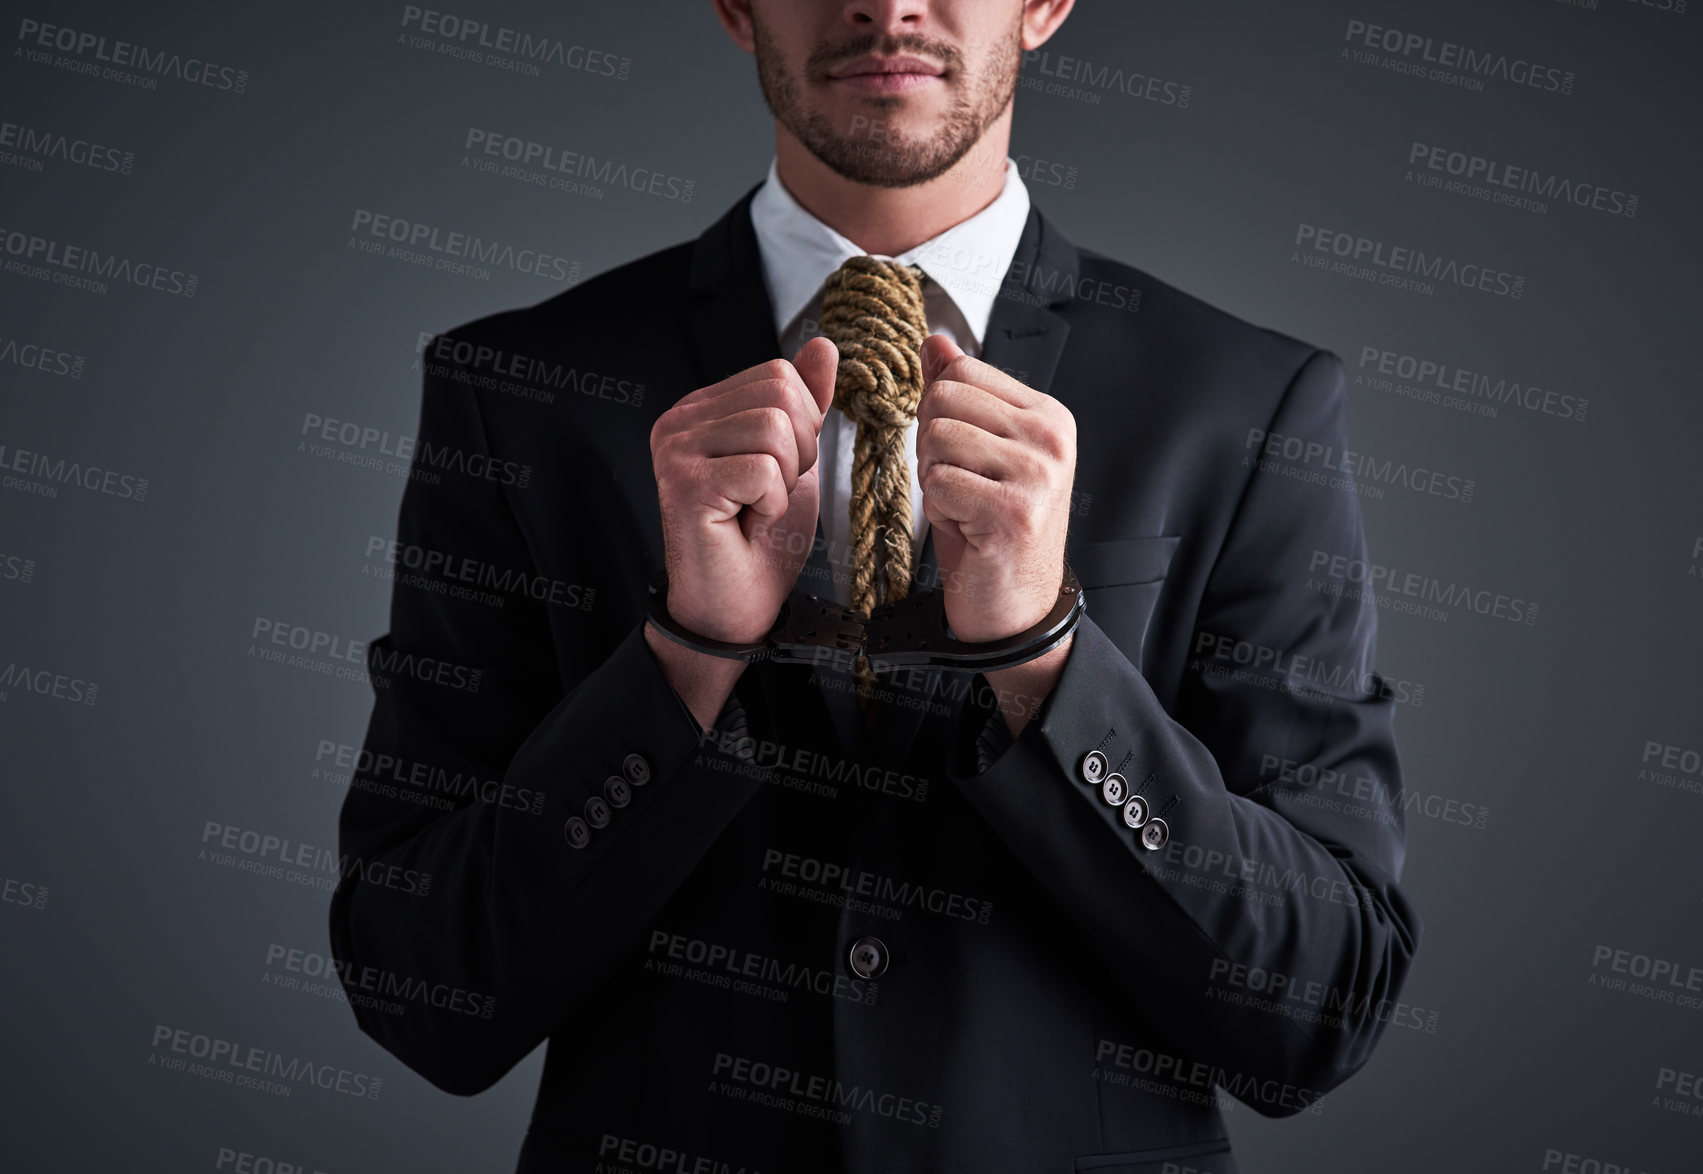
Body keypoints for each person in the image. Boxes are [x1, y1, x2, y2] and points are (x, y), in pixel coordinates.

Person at [329, 2, 1423, 1170]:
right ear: (736, 7)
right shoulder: (518, 391)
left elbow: (1317, 1013)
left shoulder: (1249, 408)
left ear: (1045, 4)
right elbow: (422, 990)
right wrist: (683, 660)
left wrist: (1045, 662)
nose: (886, 2)